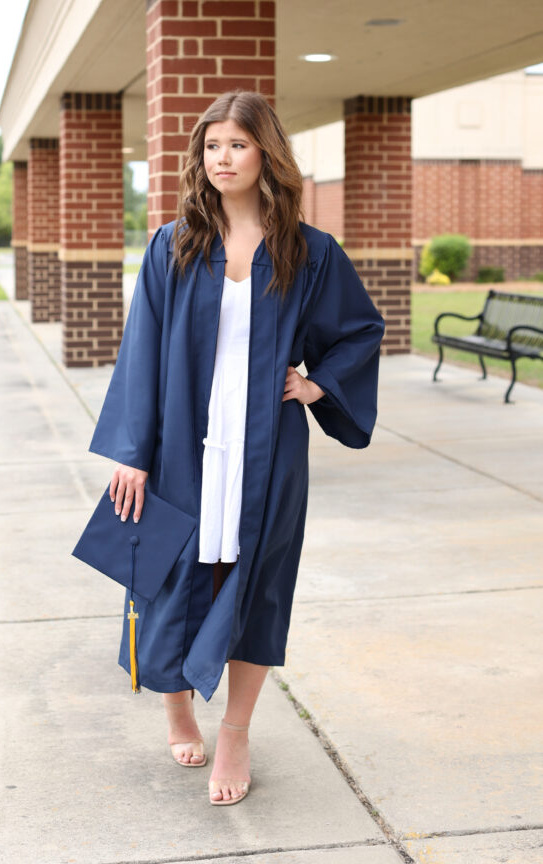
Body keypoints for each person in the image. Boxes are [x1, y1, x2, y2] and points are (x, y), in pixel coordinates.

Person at [88, 90, 385, 806]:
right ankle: (176, 705)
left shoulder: (309, 253)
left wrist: (318, 388)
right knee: (162, 575)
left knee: (256, 585)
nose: (221, 159)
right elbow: (143, 351)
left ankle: (236, 733)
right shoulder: (173, 243)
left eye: (237, 145)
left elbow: (357, 332)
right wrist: (132, 449)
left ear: (265, 155)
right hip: (181, 446)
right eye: (211, 146)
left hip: (263, 451)